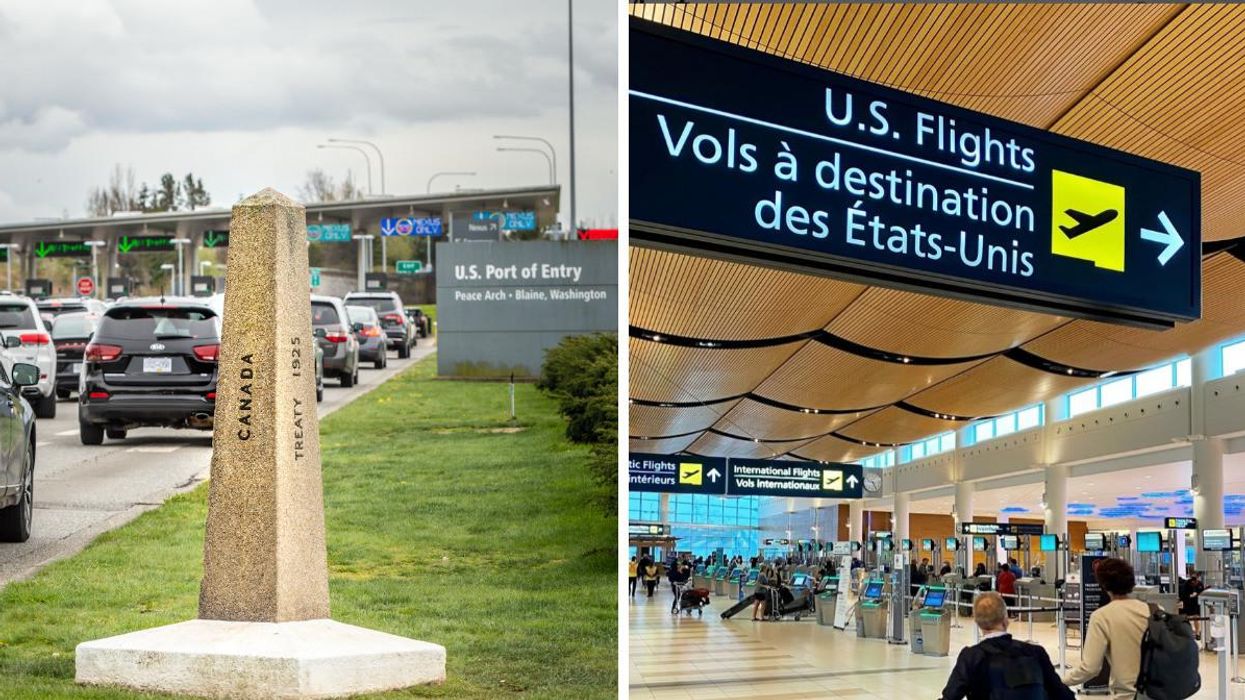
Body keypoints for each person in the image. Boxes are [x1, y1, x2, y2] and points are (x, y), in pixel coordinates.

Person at [939, 592, 1073, 700]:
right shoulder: (1036, 653)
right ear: (1006, 618)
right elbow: (1063, 695)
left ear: (976, 622)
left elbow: (951, 696)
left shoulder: (971, 657)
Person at [1061, 558, 1150, 699]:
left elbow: (1090, 668)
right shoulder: (1153, 610)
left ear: (1103, 585)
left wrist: (1059, 682)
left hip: (1129, 695)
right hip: (1161, 692)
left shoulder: (1102, 616)